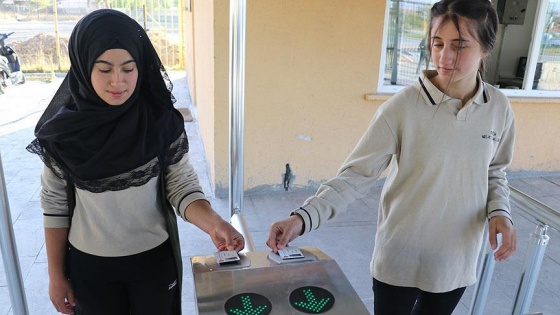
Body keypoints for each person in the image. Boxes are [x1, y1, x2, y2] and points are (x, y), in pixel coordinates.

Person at [267, 0, 516, 314]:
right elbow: (355, 176)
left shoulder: (499, 108)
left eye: (459, 45)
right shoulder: (403, 108)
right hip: (398, 260)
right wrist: (302, 218)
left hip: (456, 261)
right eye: (437, 44)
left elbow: (494, 172)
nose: (445, 57)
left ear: (485, 48)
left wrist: (500, 214)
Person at [26, 9, 244, 315]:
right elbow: (55, 207)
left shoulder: (159, 122)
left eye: (129, 68)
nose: (118, 81)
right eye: (104, 70)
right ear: (82, 67)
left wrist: (213, 224)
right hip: (90, 267)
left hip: (153, 261)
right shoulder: (63, 134)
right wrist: (55, 275)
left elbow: (180, 186)